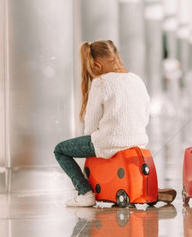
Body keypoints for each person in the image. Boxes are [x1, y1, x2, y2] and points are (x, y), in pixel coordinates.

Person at [54, 40, 150, 207]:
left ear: (97, 65)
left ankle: (85, 193)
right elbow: (145, 116)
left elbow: (91, 127)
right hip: (138, 142)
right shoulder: (137, 79)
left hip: (108, 143)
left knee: (60, 150)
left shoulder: (101, 83)